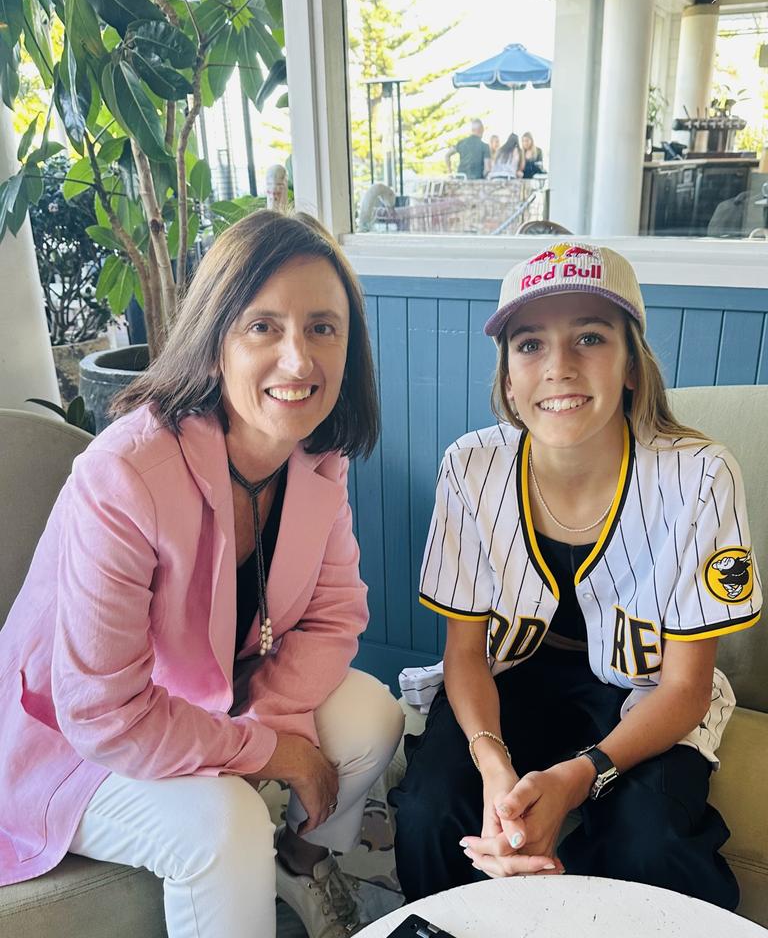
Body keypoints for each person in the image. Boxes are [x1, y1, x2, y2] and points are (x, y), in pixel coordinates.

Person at [0, 210, 405, 938]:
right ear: (215, 337)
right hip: (74, 738)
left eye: (323, 327)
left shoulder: (316, 457)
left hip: (214, 693)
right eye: (263, 327)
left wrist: (273, 722)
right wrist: (272, 750)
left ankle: (301, 862)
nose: (299, 360)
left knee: (374, 717)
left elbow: (335, 614)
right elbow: (104, 714)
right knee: (227, 827)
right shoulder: (122, 477)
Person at [390, 241, 760, 910]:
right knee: (429, 811)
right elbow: (465, 654)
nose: (558, 367)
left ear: (630, 365)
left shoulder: (701, 474)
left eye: (589, 337)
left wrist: (578, 777)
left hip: (644, 689)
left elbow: (685, 687)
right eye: (530, 345)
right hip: (514, 676)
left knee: (652, 840)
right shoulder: (470, 467)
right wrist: (492, 763)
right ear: (507, 377)